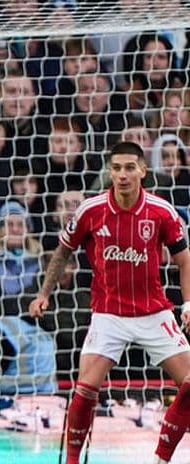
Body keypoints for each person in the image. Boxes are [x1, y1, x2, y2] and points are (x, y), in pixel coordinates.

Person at [29, 142, 190, 464]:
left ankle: (162, 458)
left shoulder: (161, 211)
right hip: (108, 314)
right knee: (85, 388)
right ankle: (72, 460)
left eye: (130, 167)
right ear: (110, 171)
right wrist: (44, 293)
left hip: (153, 312)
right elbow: (63, 250)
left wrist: (188, 305)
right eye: (116, 168)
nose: (122, 175)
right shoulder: (91, 210)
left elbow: (184, 260)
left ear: (143, 171)